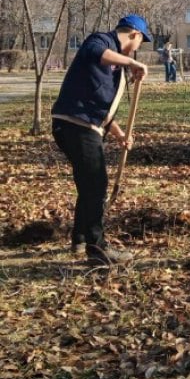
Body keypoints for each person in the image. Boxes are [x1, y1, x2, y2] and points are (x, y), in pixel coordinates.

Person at [51, 14, 150, 265]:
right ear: (134, 35)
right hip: (75, 124)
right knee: (96, 185)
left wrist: (119, 135)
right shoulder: (101, 41)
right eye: (140, 42)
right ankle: (98, 249)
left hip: (82, 124)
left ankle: (81, 238)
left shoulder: (113, 69)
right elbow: (96, 52)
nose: (138, 49)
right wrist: (130, 62)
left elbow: (100, 107)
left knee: (88, 184)